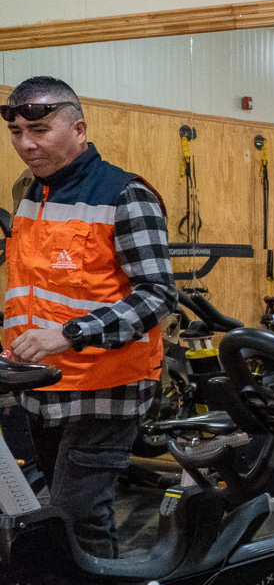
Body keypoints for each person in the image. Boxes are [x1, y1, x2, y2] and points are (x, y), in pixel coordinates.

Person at [3, 76, 177, 558]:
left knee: (79, 517)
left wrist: (68, 334)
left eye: (39, 130)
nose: (26, 144)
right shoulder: (28, 193)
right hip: (39, 382)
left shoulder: (125, 194)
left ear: (78, 128)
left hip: (106, 385)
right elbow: (33, 291)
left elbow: (159, 294)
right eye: (16, 132)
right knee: (57, 519)